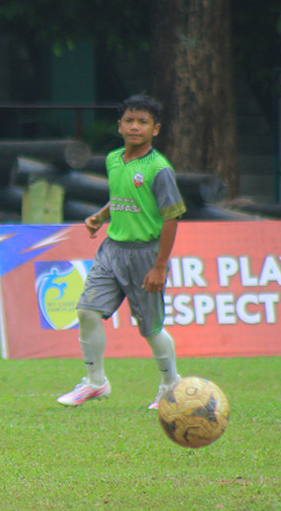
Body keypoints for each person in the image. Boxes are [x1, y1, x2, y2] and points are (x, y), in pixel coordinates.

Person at [56, 94, 186, 410]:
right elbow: (122, 197)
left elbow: (172, 217)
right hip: (112, 250)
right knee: (86, 311)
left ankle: (171, 385)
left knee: (150, 329)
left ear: (155, 129)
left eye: (143, 122)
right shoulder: (114, 159)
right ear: (120, 126)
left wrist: (159, 266)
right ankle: (95, 383)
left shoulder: (159, 169)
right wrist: (101, 217)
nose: (135, 127)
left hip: (145, 255)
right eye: (129, 120)